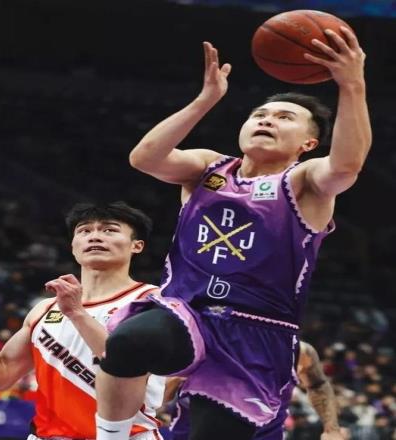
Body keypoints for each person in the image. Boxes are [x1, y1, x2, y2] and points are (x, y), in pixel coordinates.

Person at [95, 28, 371, 440]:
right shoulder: (208, 167)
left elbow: (346, 166)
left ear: (308, 143)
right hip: (189, 312)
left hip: (256, 332)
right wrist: (205, 100)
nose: (267, 119)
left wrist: (352, 85)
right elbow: (145, 158)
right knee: (130, 341)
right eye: (260, 114)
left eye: (285, 117)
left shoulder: (305, 182)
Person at [0, 201, 165, 440]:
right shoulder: (45, 309)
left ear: (136, 245)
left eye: (109, 229)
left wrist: (77, 314)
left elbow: (129, 366)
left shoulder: (152, 301)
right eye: (85, 230)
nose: (95, 236)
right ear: (73, 246)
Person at [165, 341, 345, 440]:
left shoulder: (297, 350)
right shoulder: (205, 340)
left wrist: (332, 429)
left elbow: (319, 384)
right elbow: (166, 388)